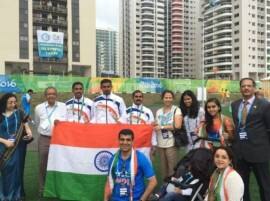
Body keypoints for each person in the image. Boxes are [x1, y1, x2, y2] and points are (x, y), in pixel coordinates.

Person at [231, 78, 270, 201]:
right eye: (243, 86)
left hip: (259, 152)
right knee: (242, 186)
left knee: (265, 186)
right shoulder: (235, 104)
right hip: (240, 153)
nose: (246, 88)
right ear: (240, 88)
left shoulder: (264, 105)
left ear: (253, 88)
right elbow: (238, 126)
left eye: (249, 86)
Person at [104, 129, 157, 201]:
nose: (125, 142)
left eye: (128, 140)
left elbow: (153, 181)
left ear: (132, 141)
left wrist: (142, 199)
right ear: (118, 141)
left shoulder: (140, 158)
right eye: (122, 139)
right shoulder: (113, 159)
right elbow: (109, 182)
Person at [34, 87, 67, 196]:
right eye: (48, 94)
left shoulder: (63, 106)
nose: (51, 96)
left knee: (59, 164)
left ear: (56, 95)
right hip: (44, 139)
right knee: (43, 165)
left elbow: (67, 122)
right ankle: (42, 190)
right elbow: (37, 121)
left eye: (53, 94)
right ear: (45, 96)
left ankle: (58, 189)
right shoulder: (39, 108)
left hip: (59, 140)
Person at [0, 93, 32, 201]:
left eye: (15, 102)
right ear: (4, 102)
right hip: (3, 148)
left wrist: (29, 133)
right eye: (10, 102)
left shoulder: (20, 112)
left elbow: (26, 126)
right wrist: (5, 141)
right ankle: (5, 195)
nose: (13, 104)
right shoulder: (0, 114)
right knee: (6, 171)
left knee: (18, 170)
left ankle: (17, 195)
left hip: (19, 147)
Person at [154, 90, 182, 180]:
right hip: (160, 143)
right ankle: (165, 188)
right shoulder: (158, 111)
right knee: (164, 168)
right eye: (166, 97)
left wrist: (161, 127)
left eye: (170, 97)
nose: (168, 99)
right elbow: (156, 124)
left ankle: (172, 188)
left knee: (172, 167)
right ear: (163, 98)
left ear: (173, 99)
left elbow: (177, 126)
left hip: (171, 142)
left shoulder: (176, 110)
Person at [127, 90, 157, 158]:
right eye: (136, 96)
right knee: (131, 163)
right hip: (130, 142)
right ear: (133, 98)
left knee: (144, 163)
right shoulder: (127, 111)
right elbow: (122, 127)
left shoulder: (148, 111)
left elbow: (152, 128)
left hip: (144, 144)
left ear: (142, 98)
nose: (138, 98)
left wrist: (154, 144)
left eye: (140, 97)